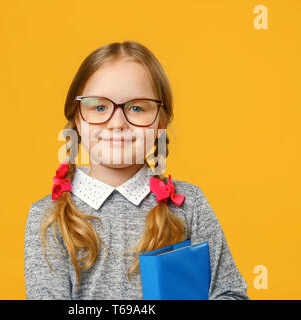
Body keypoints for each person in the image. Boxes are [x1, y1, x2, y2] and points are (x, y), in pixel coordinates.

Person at [24, 41, 249, 300]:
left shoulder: (190, 204)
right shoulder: (48, 215)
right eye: (99, 107)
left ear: (160, 122)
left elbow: (231, 293)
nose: (117, 123)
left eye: (137, 108)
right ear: (77, 117)